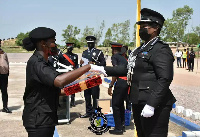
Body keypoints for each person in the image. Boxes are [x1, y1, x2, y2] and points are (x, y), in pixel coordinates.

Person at [90, 8, 176, 137]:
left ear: (155, 28)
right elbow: (127, 69)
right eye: (140, 26)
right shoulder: (139, 50)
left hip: (155, 104)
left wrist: (152, 104)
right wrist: (101, 69)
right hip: (138, 100)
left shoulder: (161, 49)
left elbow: (165, 78)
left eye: (144, 26)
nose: (141, 29)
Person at [22, 27, 91, 137]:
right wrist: (88, 67)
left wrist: (86, 85)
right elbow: (59, 81)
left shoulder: (45, 62)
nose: (55, 45)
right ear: (43, 43)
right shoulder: (37, 63)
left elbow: (58, 91)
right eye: (53, 42)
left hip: (45, 118)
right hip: (38, 120)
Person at [80, 36, 106, 118]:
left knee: (95, 96)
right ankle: (88, 112)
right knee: (87, 96)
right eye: (88, 43)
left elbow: (103, 64)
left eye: (91, 43)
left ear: (94, 43)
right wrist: (80, 64)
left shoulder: (98, 52)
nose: (90, 44)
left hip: (94, 77)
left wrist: (94, 63)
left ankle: (95, 112)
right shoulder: (84, 53)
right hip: (86, 77)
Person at [108, 42, 129, 135]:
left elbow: (116, 72)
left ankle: (118, 128)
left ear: (113, 50)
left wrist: (111, 85)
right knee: (120, 104)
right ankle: (122, 124)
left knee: (115, 104)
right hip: (126, 83)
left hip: (120, 82)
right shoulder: (125, 58)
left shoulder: (115, 57)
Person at [63, 42, 78, 107]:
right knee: (65, 87)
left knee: (73, 87)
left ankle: (72, 101)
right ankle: (64, 101)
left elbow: (76, 65)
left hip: (72, 73)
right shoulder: (63, 56)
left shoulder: (75, 56)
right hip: (65, 73)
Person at [0, 39, 12, 113]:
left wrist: (7, 72)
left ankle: (5, 107)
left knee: (4, 91)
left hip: (4, 74)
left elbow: (7, 62)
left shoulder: (3, 53)